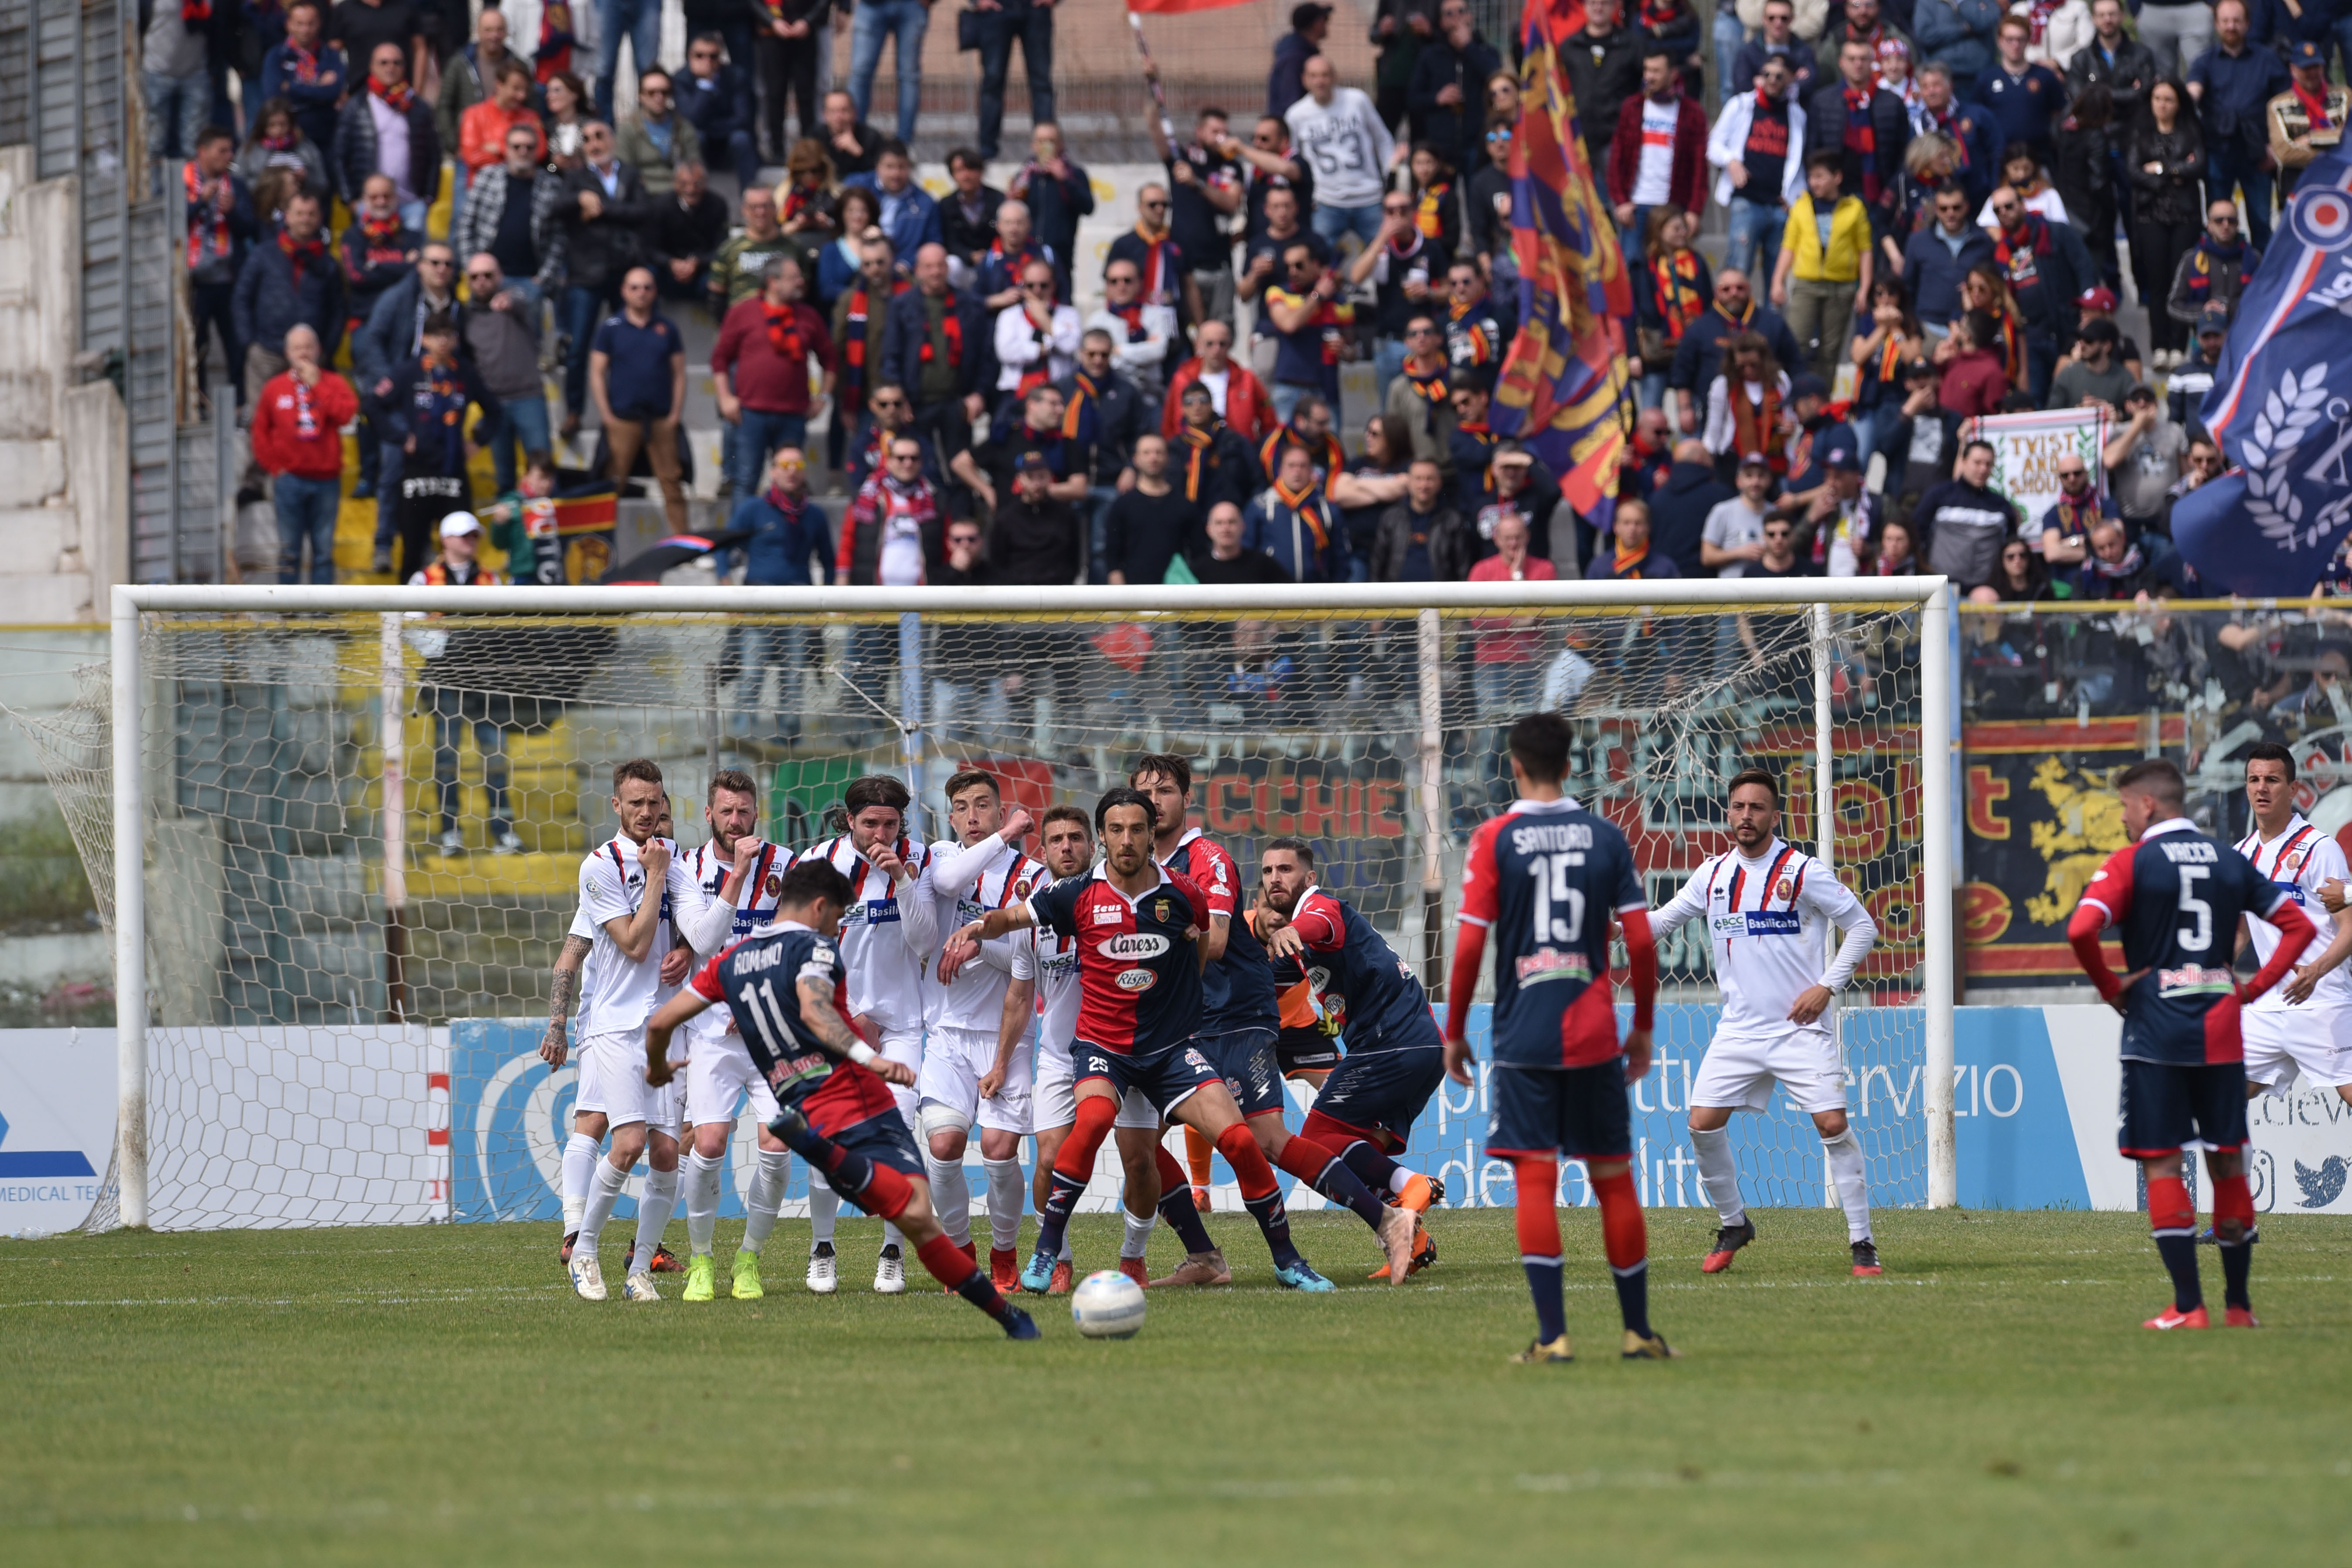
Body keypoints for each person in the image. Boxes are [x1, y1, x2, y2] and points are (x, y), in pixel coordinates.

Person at [948, 786, 1407, 1294]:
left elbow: (1202, 948)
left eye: (1137, 829)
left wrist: (1181, 1009)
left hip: (1169, 1051)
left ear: (1150, 835)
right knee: (1097, 1119)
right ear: (1103, 836)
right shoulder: (1075, 892)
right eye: (1116, 829)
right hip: (1104, 1049)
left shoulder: (1181, 891)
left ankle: (1287, 1259)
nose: (1127, 839)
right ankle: (1045, 1251)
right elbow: (1014, 918)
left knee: (1239, 1139)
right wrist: (976, 928)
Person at [645, 858, 1040, 1336]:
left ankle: (835, 1160)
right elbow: (815, 1009)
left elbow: (660, 1023)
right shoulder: (814, 947)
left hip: (805, 1107)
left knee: (909, 1209)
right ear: (818, 907)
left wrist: (658, 1065)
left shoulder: (730, 962)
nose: (837, 929)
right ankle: (1008, 1318)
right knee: (918, 1214)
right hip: (857, 1098)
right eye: (837, 918)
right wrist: (868, 1058)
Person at [1443, 711, 1674, 1362]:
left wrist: (1454, 1031)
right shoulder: (1605, 836)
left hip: (1523, 1037)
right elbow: (1637, 939)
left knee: (1535, 1183)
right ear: (1572, 765)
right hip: (1595, 1032)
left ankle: (1553, 1338)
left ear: (1513, 765)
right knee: (1613, 1180)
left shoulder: (1493, 837)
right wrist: (1644, 1026)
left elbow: (1466, 948)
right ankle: (1636, 1332)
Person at [2069, 758, 2313, 1329]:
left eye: (2126, 806)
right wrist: (2252, 987)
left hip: (2156, 1031)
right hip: (2223, 1031)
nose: (2124, 817)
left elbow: (2080, 928)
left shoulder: (2131, 861)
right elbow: (2297, 926)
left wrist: (2110, 988)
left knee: (2161, 1163)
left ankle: (2187, 1307)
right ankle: (2238, 1307)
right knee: (2227, 1162)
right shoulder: (2230, 860)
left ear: (2147, 805)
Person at [1649, 766, 1883, 1278]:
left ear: (1774, 816)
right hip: (1739, 1029)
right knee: (1700, 1123)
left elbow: (1861, 926)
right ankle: (1734, 1223)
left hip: (1798, 1027)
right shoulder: (1712, 875)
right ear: (1727, 812)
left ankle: (1862, 1242)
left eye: (1756, 808)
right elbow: (1661, 922)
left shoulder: (1802, 871)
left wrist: (1827, 985)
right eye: (1738, 807)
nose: (1745, 816)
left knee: (1832, 1124)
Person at [540, 759, 735, 1298]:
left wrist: (694, 935)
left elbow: (698, 931)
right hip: (616, 1027)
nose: (648, 812)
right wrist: (653, 876)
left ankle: (639, 1268)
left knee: (668, 1154)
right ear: (617, 806)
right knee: (624, 1142)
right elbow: (632, 943)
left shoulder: (679, 863)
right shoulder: (599, 866)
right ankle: (583, 1250)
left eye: (655, 802)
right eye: (637, 803)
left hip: (668, 1026)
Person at [1009, 805, 1208, 1291]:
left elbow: (1195, 941)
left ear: (1092, 842)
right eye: (1055, 839)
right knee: (1048, 1159)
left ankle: (1133, 1256)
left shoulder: (1139, 897)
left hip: (1131, 1049)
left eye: (1075, 838)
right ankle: (1057, 1257)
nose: (1066, 847)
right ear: (1044, 850)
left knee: (1140, 1159)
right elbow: (1018, 996)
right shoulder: (1038, 913)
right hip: (1061, 1054)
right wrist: (1000, 1064)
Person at [1256, 836, 1446, 1279]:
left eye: (1285, 869)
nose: (1274, 878)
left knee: (1317, 1137)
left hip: (1392, 1044)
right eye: (1267, 871)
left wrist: (1291, 929)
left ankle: (1410, 1186)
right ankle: (1410, 1241)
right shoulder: (1288, 943)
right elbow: (1262, 972)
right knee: (1356, 1152)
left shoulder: (1321, 908)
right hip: (1418, 1048)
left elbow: (1319, 923)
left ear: (1308, 878)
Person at [652, 772, 789, 1301]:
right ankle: (702, 1261)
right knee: (707, 1144)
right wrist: (689, 948)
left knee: (778, 1149)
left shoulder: (785, 865)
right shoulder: (687, 867)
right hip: (712, 1033)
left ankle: (748, 1258)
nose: (737, 821)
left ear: (757, 812)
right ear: (708, 814)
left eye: (745, 811)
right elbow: (704, 936)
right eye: (727, 812)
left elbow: (803, 940)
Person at [2237, 745, 2352, 1119]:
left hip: (2322, 1002)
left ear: (2292, 788)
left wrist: (2314, 972)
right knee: (2218, 1098)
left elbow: (2349, 928)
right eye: (2254, 780)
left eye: (2272, 779)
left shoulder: (2321, 849)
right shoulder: (2239, 855)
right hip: (2265, 1008)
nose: (2261, 788)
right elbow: (2237, 932)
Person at [552, 120, 653, 436]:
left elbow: (643, 213)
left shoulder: (631, 175)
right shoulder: (577, 178)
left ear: (612, 139)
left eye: (600, 136)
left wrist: (603, 209)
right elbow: (557, 209)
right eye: (587, 139)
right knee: (579, 346)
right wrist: (580, 200)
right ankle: (573, 413)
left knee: (637, 343)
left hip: (626, 270)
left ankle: (640, 409)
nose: (594, 143)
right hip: (586, 273)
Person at [382, 309, 497, 582]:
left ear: (456, 340)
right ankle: (404, 618)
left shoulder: (465, 373)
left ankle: (467, 616)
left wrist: (478, 441)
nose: (442, 341)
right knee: (412, 548)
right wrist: (401, 438)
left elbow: (496, 411)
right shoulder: (409, 372)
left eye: (448, 335)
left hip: (453, 470)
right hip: (417, 469)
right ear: (424, 339)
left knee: (462, 546)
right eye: (436, 335)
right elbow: (373, 406)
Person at [714, 254, 834, 499]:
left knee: (792, 484)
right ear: (773, 282)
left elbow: (831, 360)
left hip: (793, 415)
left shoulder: (808, 316)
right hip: (751, 414)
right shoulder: (743, 312)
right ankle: (741, 537)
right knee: (745, 481)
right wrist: (725, 397)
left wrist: (822, 397)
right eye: (793, 278)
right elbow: (720, 359)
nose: (801, 282)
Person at [233, 187, 345, 436]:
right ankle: (260, 475)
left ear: (319, 218)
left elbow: (338, 311)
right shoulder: (263, 255)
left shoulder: (327, 264)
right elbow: (242, 299)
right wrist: (249, 343)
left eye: (312, 214)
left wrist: (326, 350)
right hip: (267, 352)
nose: (306, 219)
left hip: (310, 357)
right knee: (263, 422)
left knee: (306, 423)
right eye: (300, 213)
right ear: (287, 216)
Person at [250, 323, 356, 584]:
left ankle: (323, 616)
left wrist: (317, 385)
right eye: (298, 348)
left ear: (318, 350)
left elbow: (345, 414)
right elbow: (260, 431)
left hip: (326, 479)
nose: (303, 353)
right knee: (289, 551)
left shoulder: (333, 382)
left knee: (323, 552)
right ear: (288, 353)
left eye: (308, 347)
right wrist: (275, 466)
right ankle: (289, 616)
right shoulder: (274, 388)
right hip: (290, 479)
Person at [590, 267, 690, 532]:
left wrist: (675, 414)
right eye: (634, 287)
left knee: (672, 484)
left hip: (660, 419)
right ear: (624, 292)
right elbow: (597, 372)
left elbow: (679, 373)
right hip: (622, 419)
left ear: (655, 292)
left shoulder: (667, 328)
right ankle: (601, 545)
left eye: (647, 287)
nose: (641, 293)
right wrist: (607, 415)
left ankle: (684, 545)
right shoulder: (610, 328)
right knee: (612, 485)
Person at [2189, 0, 2288, 251]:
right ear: (2216, 24)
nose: (2231, 26)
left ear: (2248, 24)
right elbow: (2193, 92)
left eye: (2237, 21)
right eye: (2225, 21)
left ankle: (2265, 285)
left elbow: (2286, 105)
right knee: (2218, 222)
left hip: (2258, 155)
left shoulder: (2267, 59)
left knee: (2262, 223)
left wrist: (2276, 150)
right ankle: (2221, 283)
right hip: (2218, 154)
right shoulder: (2204, 62)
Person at [1985, 181, 2092, 403]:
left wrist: (2088, 314)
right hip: (2030, 336)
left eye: (2009, 206)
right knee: (2033, 400)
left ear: (2023, 205)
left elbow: (2085, 270)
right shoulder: (2001, 251)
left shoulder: (2056, 233)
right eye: (1998, 210)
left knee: (2070, 397)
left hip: (2066, 329)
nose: (2004, 213)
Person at [1772, 152, 1874, 385]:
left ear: (1837, 177)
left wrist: (1864, 287)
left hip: (1841, 286)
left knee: (1830, 349)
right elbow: (1789, 246)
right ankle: (1793, 393)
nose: (1814, 182)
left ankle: (1822, 399)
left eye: (1820, 176)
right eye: (1811, 177)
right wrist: (1778, 281)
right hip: (1806, 283)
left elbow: (1865, 250)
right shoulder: (1801, 206)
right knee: (1797, 342)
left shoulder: (1854, 208)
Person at [1709, 52, 1809, 281]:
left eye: (1779, 76)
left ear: (1790, 80)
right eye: (1767, 74)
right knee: (1738, 270)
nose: (1773, 80)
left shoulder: (1797, 115)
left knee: (1777, 278)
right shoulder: (1741, 105)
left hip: (1779, 207)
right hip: (1747, 201)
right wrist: (1731, 161)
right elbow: (1714, 144)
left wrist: (1795, 199)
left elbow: (1798, 163)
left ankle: (1772, 319)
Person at [1668, 269, 1804, 436]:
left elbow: (1796, 366)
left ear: (1749, 289)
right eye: (1726, 289)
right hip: (1715, 413)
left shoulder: (1772, 323)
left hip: (1768, 414)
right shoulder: (1699, 328)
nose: (1734, 293)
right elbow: (1682, 373)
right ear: (1716, 293)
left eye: (1740, 288)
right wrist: (1685, 409)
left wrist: (1795, 408)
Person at [2129, 80, 2207, 368]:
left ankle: (2178, 345)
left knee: (2180, 280)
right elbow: (2134, 172)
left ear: (2179, 104)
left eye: (2168, 99)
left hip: (2184, 216)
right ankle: (2159, 346)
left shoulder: (2190, 132)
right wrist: (2174, 172)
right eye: (2157, 98)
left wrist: (2160, 167)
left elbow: (2197, 166)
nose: (2162, 105)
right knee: (2157, 282)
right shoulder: (2141, 133)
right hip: (2151, 217)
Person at [1291, 52, 1403, 254]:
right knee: (1320, 258)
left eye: (1325, 75)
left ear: (1334, 76)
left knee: (1386, 256)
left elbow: (1383, 139)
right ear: (1305, 80)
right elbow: (1293, 160)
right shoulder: (1296, 115)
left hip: (1369, 197)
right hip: (1327, 202)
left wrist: (1390, 178)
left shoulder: (1356, 100)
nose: (1320, 81)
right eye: (1314, 76)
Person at [460, 254, 549, 498]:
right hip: (494, 405)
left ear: (499, 277)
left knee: (543, 472)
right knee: (505, 479)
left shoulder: (516, 304)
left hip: (528, 398)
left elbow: (528, 298)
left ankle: (548, 533)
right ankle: (510, 534)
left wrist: (512, 299)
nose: (481, 281)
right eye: (475, 277)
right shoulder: (465, 318)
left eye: (488, 275)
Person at [183, 128, 258, 403]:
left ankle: (239, 405)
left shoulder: (235, 186)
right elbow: (170, 224)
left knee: (237, 345)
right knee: (197, 346)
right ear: (203, 151)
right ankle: (198, 403)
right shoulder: (183, 182)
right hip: (195, 282)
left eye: (231, 151)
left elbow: (250, 228)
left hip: (229, 279)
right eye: (222, 151)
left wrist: (233, 212)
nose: (229, 157)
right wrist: (199, 204)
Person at [1608, 46, 1709, 248]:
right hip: (1636, 207)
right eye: (1647, 70)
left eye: (1656, 71)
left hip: (1673, 207)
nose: (1649, 77)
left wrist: (1694, 210)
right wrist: (1621, 202)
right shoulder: (1632, 107)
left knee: (1672, 273)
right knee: (1634, 268)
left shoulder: (1692, 113)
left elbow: (1699, 167)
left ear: (1673, 74)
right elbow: (1617, 159)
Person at [1808, 37, 1911, 236]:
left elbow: (1903, 155)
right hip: (1834, 193)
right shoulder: (1822, 101)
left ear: (1873, 63)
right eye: (1852, 59)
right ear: (1842, 63)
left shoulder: (1893, 103)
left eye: (1864, 59)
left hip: (1877, 195)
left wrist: (1894, 193)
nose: (1858, 64)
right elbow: (1812, 149)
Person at [336, 41, 440, 231]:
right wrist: (349, 200)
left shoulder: (419, 108)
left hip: (412, 205)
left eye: (396, 63)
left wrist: (428, 198)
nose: (390, 68)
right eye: (383, 63)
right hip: (369, 206)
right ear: (372, 67)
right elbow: (340, 157)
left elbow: (434, 155)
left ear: (405, 67)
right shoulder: (356, 107)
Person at [454, 123, 559, 303]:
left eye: (529, 147)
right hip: (486, 279)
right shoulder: (486, 177)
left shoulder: (552, 186)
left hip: (530, 281)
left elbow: (559, 238)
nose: (523, 151)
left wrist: (543, 279)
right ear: (506, 149)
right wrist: (473, 267)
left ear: (537, 150)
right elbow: (465, 225)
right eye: (516, 146)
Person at [1465, 512, 1556, 714]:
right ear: (1496, 539)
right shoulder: (1482, 571)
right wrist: (1520, 621)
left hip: (1532, 662)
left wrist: (1518, 577)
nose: (1513, 543)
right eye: (1508, 538)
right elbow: (1479, 622)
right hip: (1491, 663)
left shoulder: (1545, 570)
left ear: (1528, 537)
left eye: (1518, 537)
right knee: (1492, 731)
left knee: (1531, 730)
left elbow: (1540, 618)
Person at [439, 8, 532, 194]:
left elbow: (531, 107)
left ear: (506, 33)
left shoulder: (518, 65)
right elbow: (444, 106)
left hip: (510, 154)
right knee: (463, 214)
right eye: (488, 30)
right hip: (470, 152)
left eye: (499, 30)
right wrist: (454, 145)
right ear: (478, 32)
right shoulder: (460, 63)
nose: (494, 36)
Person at [1261, 241, 1353, 427]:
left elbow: (1353, 352)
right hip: (1288, 386)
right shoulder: (1278, 293)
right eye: (1288, 267)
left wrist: (1343, 350)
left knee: (1329, 448)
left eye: (1299, 265)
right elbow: (1290, 324)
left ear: (1316, 265)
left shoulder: (1339, 302)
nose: (1293, 272)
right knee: (1286, 447)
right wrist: (1318, 296)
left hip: (1325, 389)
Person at [1915, 435, 2016, 590]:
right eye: (1977, 463)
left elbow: (2011, 545)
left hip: (1984, 590)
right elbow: (1916, 533)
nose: (1983, 469)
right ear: (1963, 462)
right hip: (1940, 587)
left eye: (1988, 464)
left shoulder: (2001, 506)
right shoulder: (1939, 496)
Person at [1242, 444, 1352, 583]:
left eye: (1303, 466)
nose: (1297, 471)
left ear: (1311, 470)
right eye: (1292, 466)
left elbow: (1341, 557)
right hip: (1271, 594)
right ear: (1280, 470)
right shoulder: (1260, 507)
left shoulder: (1327, 510)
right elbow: (1247, 552)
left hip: (1317, 594)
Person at [1006, 124, 1092, 298]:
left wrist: (1065, 180)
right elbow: (1008, 215)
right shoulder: (1024, 176)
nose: (1046, 146)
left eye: (1051, 141)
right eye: (1041, 141)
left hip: (1060, 258)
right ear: (1034, 145)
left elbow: (1088, 207)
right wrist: (1011, 201)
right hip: (1026, 258)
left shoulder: (1074, 174)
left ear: (1061, 145)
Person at [1565, 0, 1645, 174]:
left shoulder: (1632, 45)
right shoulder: (1569, 47)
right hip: (1578, 139)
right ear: (1584, 6)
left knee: (1615, 198)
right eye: (1593, 3)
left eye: (1605, 3)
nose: (1598, 7)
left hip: (1617, 139)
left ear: (1615, 7)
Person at [1163, 320, 1275, 445]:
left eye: (1222, 344)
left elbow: (1269, 420)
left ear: (1230, 344)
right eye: (1210, 344)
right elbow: (1169, 422)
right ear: (1198, 344)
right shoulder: (1182, 379)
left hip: (1236, 452)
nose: (1216, 350)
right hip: (1191, 451)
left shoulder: (1247, 379)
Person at [1103, 434, 1195, 587]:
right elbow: (1112, 556)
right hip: (1133, 595)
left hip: (1177, 594)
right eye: (1146, 453)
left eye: (1159, 453)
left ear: (1168, 458)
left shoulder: (1184, 506)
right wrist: (1121, 596)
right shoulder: (1122, 505)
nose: (1153, 458)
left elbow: (1197, 554)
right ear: (1136, 460)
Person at [262, 0, 349, 156]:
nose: (306, 30)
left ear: (320, 24)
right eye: (300, 24)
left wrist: (292, 87)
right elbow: (274, 95)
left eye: (311, 24)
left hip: (326, 134)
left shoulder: (330, 55)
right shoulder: (276, 56)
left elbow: (334, 91)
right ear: (289, 24)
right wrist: (318, 86)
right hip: (290, 135)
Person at [677, 32, 760, 193]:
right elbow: (689, 120)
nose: (707, 62)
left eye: (713, 56)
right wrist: (705, 85)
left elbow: (743, 118)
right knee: (696, 136)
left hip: (728, 139)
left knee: (741, 139)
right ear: (690, 57)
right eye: (700, 56)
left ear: (720, 58)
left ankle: (750, 195)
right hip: (702, 141)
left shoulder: (735, 76)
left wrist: (711, 127)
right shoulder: (681, 80)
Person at [2167, 197, 2261, 338]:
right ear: (2209, 226)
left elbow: (2265, 302)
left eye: (2231, 220)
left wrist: (2229, 310)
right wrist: (2205, 311)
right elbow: (2173, 306)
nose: (2225, 225)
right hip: (2206, 341)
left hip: (2245, 336)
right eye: (2219, 220)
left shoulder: (2254, 259)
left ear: (2238, 225)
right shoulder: (2191, 259)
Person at [1978, 16, 2066, 164]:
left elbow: (2059, 113)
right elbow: (1979, 117)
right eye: (2010, 39)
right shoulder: (1987, 78)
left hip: (2040, 157)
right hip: (2000, 159)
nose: (2016, 45)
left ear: (2029, 41)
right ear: (2000, 41)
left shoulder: (2045, 76)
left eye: (2021, 39)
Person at [1702, 331, 1792, 474]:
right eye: (1741, 366)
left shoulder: (1780, 380)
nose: (1748, 371)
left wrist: (1789, 427)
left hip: (1774, 458)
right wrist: (1706, 455)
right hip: (1735, 459)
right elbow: (1714, 428)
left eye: (1754, 365)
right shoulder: (1723, 385)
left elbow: (1790, 417)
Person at [2101, 382, 2188, 529]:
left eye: (2147, 398)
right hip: (2129, 520)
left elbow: (2186, 474)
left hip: (2165, 518)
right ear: (2128, 406)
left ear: (2156, 404)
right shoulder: (2118, 432)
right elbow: (2109, 461)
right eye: (2136, 399)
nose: (2142, 403)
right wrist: (2137, 426)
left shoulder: (2174, 430)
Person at [1090, 259, 1178, 403]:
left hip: (1150, 396)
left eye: (1128, 280)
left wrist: (1119, 350)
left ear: (1140, 283)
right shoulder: (1097, 320)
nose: (1121, 286)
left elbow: (1158, 351)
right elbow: (1099, 361)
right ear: (1107, 285)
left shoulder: (1156, 315)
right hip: (1110, 396)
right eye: (1114, 281)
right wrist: (1142, 352)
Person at [1169, 383, 1266, 514]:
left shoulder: (1234, 442)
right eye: (1189, 402)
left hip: (1232, 519)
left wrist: (1249, 514)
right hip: (1190, 522)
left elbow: (1258, 481)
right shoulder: (1174, 447)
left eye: (1203, 400)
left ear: (1211, 405)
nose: (1197, 406)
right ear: (1182, 409)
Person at [1373, 457, 1474, 581]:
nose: (1424, 485)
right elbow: (1377, 564)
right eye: (1418, 479)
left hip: (1441, 597)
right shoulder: (1391, 518)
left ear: (1440, 482)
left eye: (1429, 479)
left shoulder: (1453, 520)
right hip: (1396, 596)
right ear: (1409, 482)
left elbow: (1463, 567)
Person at [2267, 41, 2346, 201]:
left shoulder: (2345, 96)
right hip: (2297, 186)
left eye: (2316, 67)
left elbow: (2349, 136)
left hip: (2341, 184)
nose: (2312, 73)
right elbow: (2284, 153)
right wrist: (2336, 150)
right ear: (2293, 69)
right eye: (2306, 68)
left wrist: (2311, 139)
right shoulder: (2278, 105)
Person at [708, 183, 799, 315]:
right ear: (744, 210)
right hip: (742, 325)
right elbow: (716, 295)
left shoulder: (793, 248)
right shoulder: (728, 250)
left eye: (765, 206)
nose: (760, 212)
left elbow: (802, 290)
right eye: (754, 207)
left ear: (775, 208)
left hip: (784, 324)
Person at [143, 0, 211, 160]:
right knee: (154, 142)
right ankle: (153, 184)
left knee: (194, 144)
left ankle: (194, 184)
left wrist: (212, 67)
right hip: (157, 71)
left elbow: (216, 28)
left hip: (195, 73)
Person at [939, 147, 1005, 284]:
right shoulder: (946, 205)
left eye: (970, 169)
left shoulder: (998, 200)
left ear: (981, 172)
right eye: (959, 171)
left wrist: (989, 255)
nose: (966, 176)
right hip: (963, 264)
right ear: (952, 175)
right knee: (951, 264)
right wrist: (970, 255)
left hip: (995, 260)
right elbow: (950, 241)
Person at [1912, 0, 2002, 99]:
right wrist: (1963, 28)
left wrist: (1962, 2)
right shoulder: (1926, 3)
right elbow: (1925, 36)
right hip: (1943, 79)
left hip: (1979, 75)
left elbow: (1984, 21)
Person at [1730, 0, 1819, 93]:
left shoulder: (1804, 52)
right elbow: (1742, 86)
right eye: (1772, 18)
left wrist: (1766, 83)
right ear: (1764, 19)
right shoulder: (1748, 53)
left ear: (1792, 19)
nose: (1778, 23)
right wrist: (1791, 80)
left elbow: (1810, 84)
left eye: (1784, 18)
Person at [2048, 315, 2132, 411]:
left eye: (2089, 340)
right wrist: (2080, 410)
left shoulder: (2124, 378)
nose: (2082, 345)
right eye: (2080, 339)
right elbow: (2052, 410)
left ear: (2107, 346)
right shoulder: (2067, 376)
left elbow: (2134, 412)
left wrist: (2117, 415)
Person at [1586, 497, 1680, 580]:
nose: (1632, 529)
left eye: (1638, 523)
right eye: (1626, 523)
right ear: (1616, 527)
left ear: (1648, 527)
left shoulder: (1666, 568)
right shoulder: (1599, 567)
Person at [2167, 306, 2229, 427]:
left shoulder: (2239, 371)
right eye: (2206, 337)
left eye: (2216, 336)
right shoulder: (2182, 375)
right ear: (2198, 339)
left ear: (2226, 335)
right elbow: (2174, 421)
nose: (2212, 343)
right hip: (2196, 443)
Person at [1271, 1, 1330, 119]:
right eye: (1324, 20)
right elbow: (1290, 101)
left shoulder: (1301, 51)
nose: (1326, 24)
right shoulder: (1294, 57)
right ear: (1316, 24)